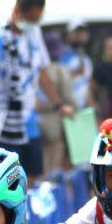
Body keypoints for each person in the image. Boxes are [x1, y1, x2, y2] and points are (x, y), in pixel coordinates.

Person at [0, 0, 73, 182]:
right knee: (4, 178)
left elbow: (43, 74)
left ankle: (27, 212)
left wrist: (58, 104)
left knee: (33, 174)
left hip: (29, 122)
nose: (32, 22)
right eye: (30, 17)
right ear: (18, 10)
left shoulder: (34, 34)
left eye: (37, 18)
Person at [37, 32, 74, 175]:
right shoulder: (60, 70)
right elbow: (68, 97)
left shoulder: (33, 69)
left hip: (34, 119)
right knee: (56, 148)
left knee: (41, 156)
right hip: (54, 118)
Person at [59, 19, 93, 111]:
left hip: (83, 111)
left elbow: (87, 85)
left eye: (82, 33)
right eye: (76, 33)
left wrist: (92, 107)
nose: (80, 36)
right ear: (68, 35)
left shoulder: (87, 60)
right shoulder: (60, 56)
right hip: (66, 110)